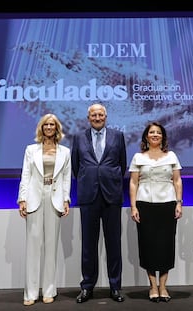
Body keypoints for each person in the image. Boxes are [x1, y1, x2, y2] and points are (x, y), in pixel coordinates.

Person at [71, 102, 127, 303]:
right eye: (93, 115)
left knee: (114, 244)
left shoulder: (118, 136)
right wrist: (90, 180)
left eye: (100, 115)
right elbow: (76, 168)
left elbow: (122, 165)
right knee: (88, 245)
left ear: (106, 117)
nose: (97, 118)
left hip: (111, 196)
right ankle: (87, 287)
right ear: (88, 118)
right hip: (88, 197)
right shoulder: (78, 138)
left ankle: (115, 287)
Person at [17, 113, 71, 306]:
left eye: (52, 125)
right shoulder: (31, 150)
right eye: (46, 124)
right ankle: (30, 293)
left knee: (51, 247)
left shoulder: (65, 151)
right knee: (33, 246)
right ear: (41, 128)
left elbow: (66, 177)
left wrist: (66, 199)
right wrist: (22, 199)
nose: (49, 127)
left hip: (54, 197)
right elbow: (25, 174)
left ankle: (49, 290)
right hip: (34, 197)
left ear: (57, 128)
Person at [129, 121, 183, 303]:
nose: (155, 135)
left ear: (163, 137)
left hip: (167, 204)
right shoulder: (138, 157)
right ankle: (153, 287)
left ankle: (163, 286)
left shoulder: (172, 156)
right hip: (144, 205)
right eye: (151, 132)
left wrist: (179, 203)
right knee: (148, 246)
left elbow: (177, 181)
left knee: (166, 246)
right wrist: (134, 206)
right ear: (146, 136)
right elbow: (133, 183)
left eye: (158, 133)